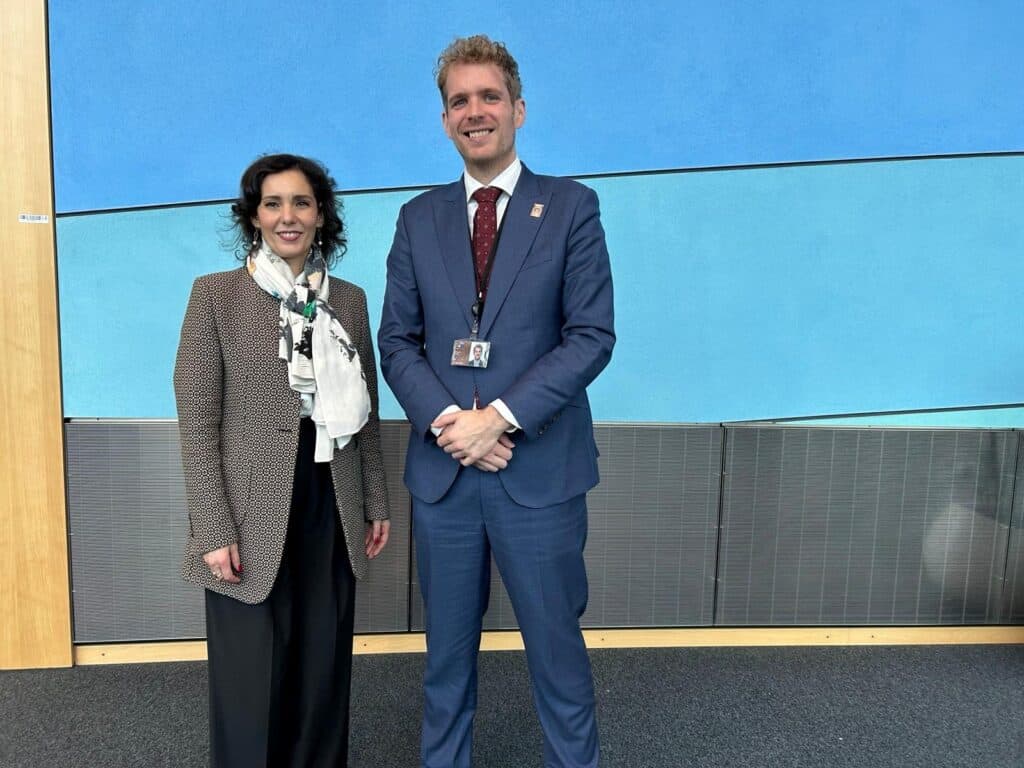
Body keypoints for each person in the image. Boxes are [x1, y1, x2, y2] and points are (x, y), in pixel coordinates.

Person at [378, 35, 615, 768]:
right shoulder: (418, 219)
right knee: (445, 665)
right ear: (444, 119)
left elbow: (590, 336)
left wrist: (498, 419)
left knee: (557, 657)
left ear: (517, 108)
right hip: (446, 479)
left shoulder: (571, 207)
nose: (474, 112)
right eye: (458, 101)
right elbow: (397, 341)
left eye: (488, 97)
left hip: (537, 474)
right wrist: (454, 426)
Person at [174, 153, 390, 767]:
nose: (287, 216)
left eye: (301, 202)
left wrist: (374, 501)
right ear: (254, 216)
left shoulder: (348, 301)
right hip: (247, 512)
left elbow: (365, 411)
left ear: (322, 215)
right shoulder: (215, 296)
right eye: (273, 203)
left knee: (322, 671)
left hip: (331, 498)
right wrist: (213, 529)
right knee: (251, 680)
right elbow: (198, 425)